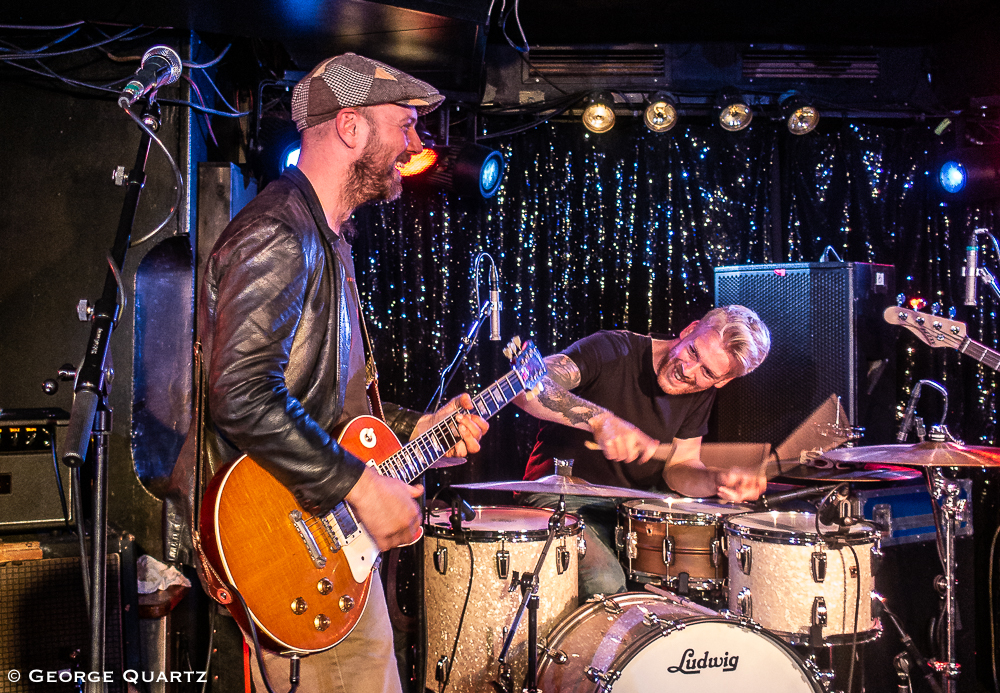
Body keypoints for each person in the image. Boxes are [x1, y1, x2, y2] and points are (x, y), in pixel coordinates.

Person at [197, 53, 488, 693]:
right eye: (406, 125)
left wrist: (418, 428)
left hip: (326, 535)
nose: (416, 144)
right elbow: (241, 398)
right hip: (292, 544)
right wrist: (359, 486)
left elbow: (331, 405)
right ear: (352, 128)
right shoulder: (279, 232)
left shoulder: (326, 237)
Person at [513, 305, 770, 597]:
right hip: (560, 499)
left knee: (689, 591)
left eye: (707, 372)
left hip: (632, 518)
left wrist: (715, 481)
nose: (687, 370)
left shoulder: (701, 392)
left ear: (723, 381)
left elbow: (680, 466)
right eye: (694, 352)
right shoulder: (614, 348)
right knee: (605, 582)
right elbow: (526, 386)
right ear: (689, 330)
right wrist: (600, 420)